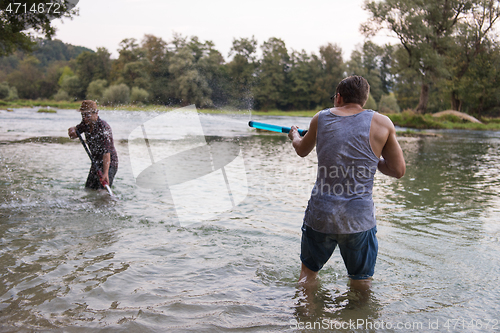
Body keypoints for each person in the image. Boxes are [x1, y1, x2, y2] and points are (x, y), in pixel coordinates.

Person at [288, 76, 406, 292]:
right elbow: (398, 170)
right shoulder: (382, 123)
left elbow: (302, 150)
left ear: (339, 97)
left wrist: (294, 135)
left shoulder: (320, 118)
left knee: (307, 276)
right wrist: (375, 159)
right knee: (361, 283)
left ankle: (306, 321)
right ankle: (358, 322)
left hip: (321, 215)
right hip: (358, 220)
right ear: (364, 100)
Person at [68, 100, 118, 190]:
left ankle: (107, 201)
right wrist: (72, 130)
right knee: (88, 189)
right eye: (83, 115)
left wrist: (106, 173)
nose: (85, 118)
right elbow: (74, 135)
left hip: (109, 163)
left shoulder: (104, 128)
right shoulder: (86, 124)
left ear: (96, 113)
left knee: (102, 191)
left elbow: (106, 153)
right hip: (95, 162)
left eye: (87, 115)